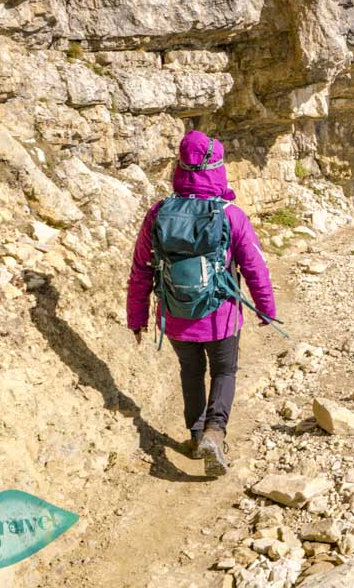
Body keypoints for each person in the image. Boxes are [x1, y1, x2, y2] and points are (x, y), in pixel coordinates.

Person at [126, 131, 276, 476]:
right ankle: (215, 431)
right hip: (221, 316)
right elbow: (254, 265)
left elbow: (140, 269)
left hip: (175, 315)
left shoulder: (159, 213)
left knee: (190, 372)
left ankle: (195, 435)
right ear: (218, 169)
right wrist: (266, 307)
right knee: (224, 371)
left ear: (179, 167)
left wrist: (137, 318)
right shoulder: (230, 214)